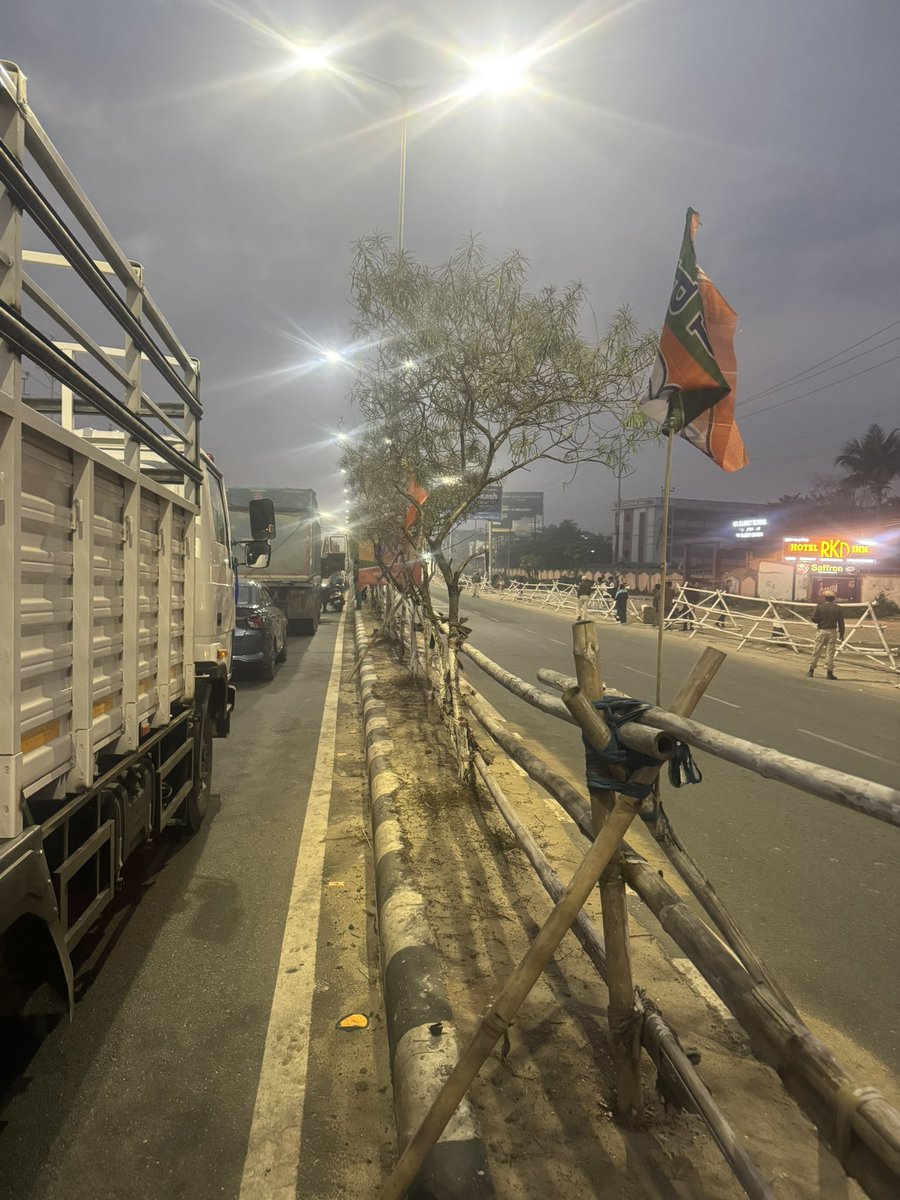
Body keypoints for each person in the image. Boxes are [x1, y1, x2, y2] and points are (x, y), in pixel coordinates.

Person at [807, 591, 845, 679]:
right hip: (832, 632)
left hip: (821, 631)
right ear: (834, 599)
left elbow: (814, 619)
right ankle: (829, 672)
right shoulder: (838, 609)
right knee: (830, 653)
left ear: (825, 598)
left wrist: (820, 620)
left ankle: (811, 670)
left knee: (816, 650)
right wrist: (842, 633)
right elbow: (841, 623)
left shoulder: (820, 607)